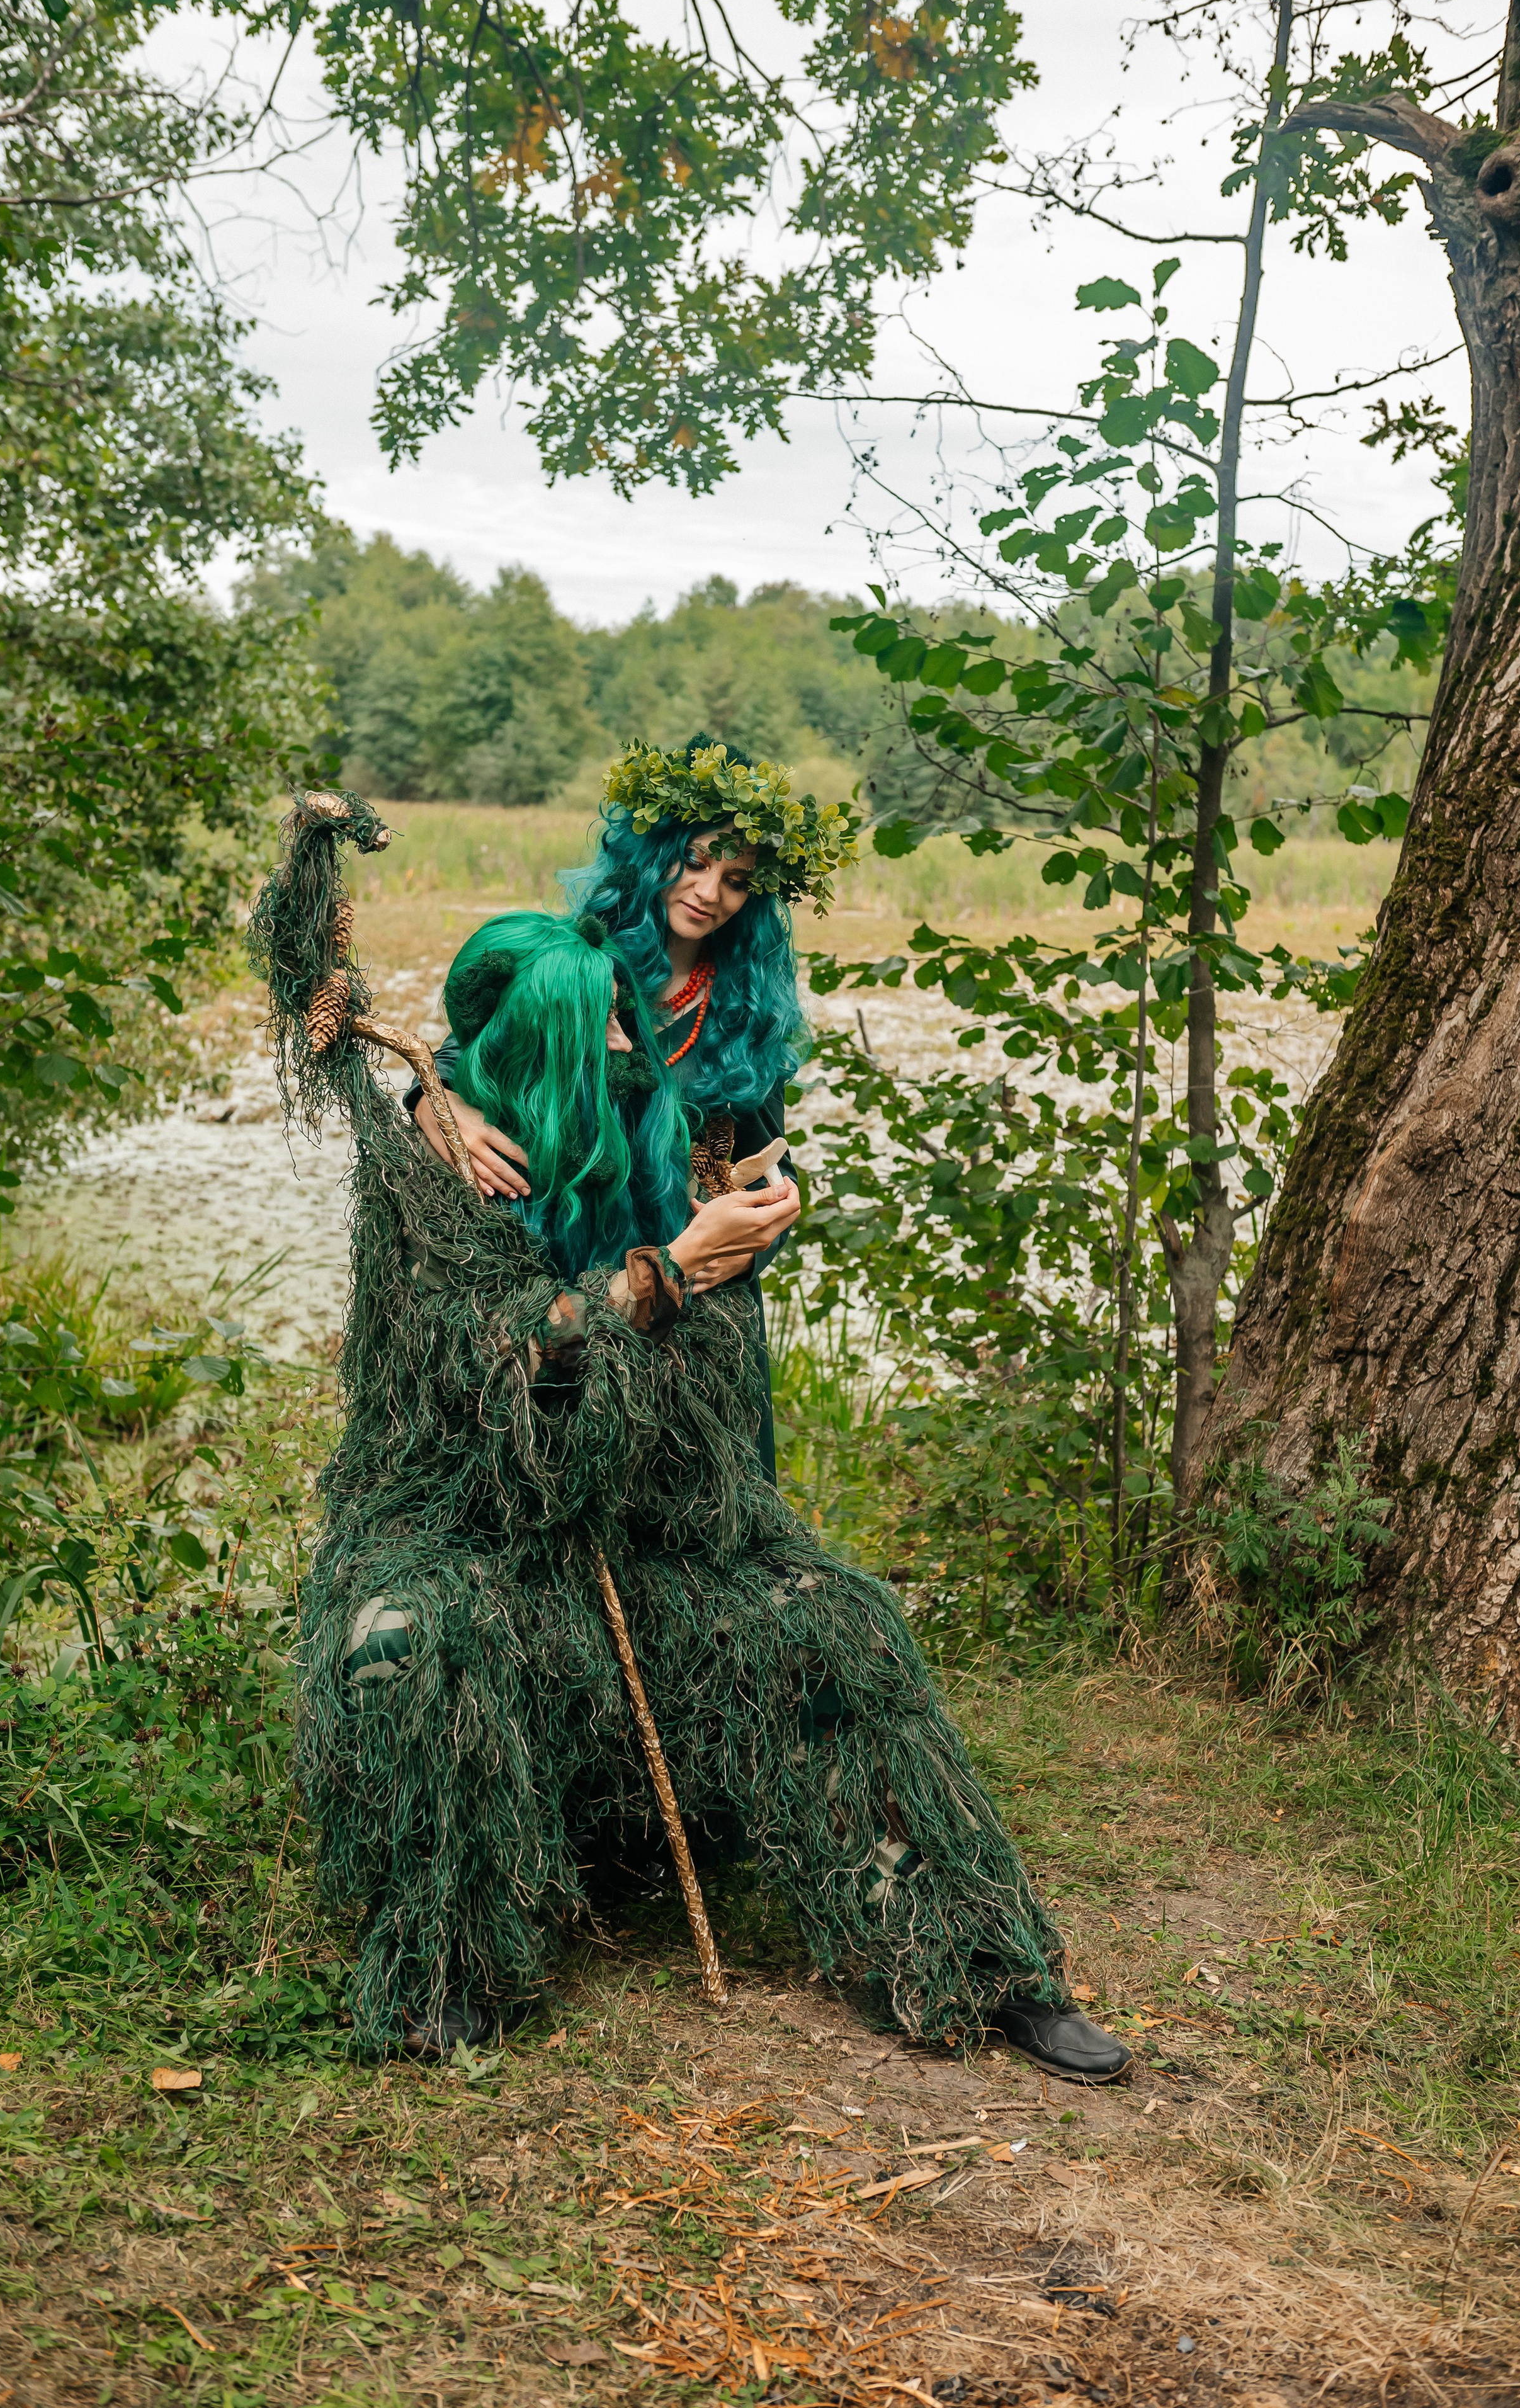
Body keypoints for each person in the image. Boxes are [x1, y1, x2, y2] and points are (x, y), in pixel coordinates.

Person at [251, 795, 1130, 2087]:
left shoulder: (665, 1141)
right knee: (421, 1642)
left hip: (641, 1522)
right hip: (465, 1531)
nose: (628, 1051)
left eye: (628, 1024)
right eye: (596, 1034)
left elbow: (693, 1381)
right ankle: (449, 1963)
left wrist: (701, 1260)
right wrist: (637, 1274)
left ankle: (981, 1963)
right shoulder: (437, 1181)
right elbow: (502, 1382)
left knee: (832, 1618)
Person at [407, 737, 824, 1480]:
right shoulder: (582, 957)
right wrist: (432, 1105)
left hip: (688, 1298)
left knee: (697, 1514)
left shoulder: (741, 1009)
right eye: (693, 861)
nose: (708, 891)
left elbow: (741, 1151)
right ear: (651, 850)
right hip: (572, 1270)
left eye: (734, 880)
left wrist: (758, 1212)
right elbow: (475, 1047)